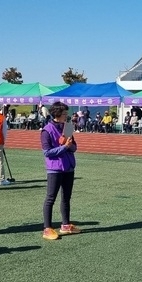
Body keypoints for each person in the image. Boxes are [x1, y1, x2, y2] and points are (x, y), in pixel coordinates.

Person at [40, 101, 80, 240]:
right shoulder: (47, 130)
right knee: (50, 198)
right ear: (56, 114)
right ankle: (47, 228)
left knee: (66, 198)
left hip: (68, 168)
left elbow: (74, 147)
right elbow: (47, 152)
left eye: (66, 113)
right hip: (55, 169)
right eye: (64, 114)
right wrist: (63, 147)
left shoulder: (68, 127)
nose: (66, 116)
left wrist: (70, 145)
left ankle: (65, 225)